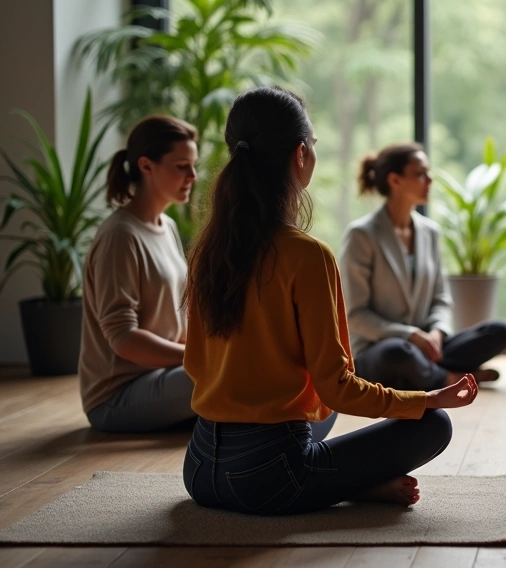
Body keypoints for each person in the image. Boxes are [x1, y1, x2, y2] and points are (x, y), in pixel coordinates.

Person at [181, 87, 477, 516]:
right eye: (314, 146)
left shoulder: (208, 248)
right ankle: (344, 483)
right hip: (267, 479)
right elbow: (340, 389)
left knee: (319, 412)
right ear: (300, 155)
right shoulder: (307, 255)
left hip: (200, 467)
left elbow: (195, 364)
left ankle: (339, 480)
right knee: (433, 425)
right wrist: (428, 399)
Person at [340, 143, 506, 391]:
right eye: (420, 174)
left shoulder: (430, 232)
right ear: (395, 180)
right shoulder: (362, 235)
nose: (430, 179)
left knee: (500, 331)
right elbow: (355, 317)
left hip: (426, 347)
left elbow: (440, 299)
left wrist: (437, 332)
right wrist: (410, 334)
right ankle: (449, 379)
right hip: (381, 349)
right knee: (398, 353)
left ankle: (433, 373)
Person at [79, 115, 198, 432]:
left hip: (163, 376)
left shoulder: (166, 226)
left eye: (193, 165)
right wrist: (199, 357)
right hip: (116, 396)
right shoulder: (120, 236)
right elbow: (123, 340)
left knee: (242, 366)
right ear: (146, 166)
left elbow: (176, 318)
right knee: (228, 373)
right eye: (181, 166)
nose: (193, 176)